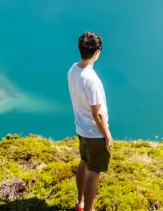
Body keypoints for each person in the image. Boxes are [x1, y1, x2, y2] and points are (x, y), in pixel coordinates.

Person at [67, 31, 112, 211]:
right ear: (96, 52)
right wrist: (107, 135)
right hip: (94, 133)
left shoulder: (73, 70)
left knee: (84, 162)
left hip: (81, 129)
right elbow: (98, 114)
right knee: (94, 172)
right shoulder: (92, 80)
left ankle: (80, 203)